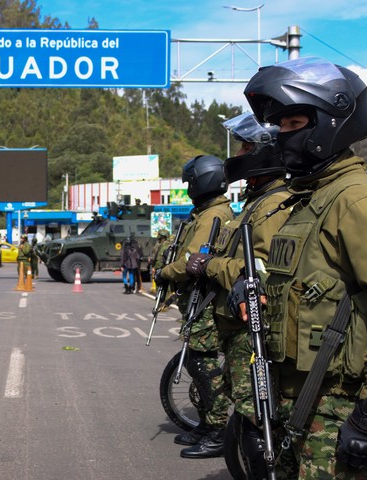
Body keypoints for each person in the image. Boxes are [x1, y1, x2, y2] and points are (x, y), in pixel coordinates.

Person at [236, 56, 367, 478]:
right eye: (279, 126)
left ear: (329, 123)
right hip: (289, 402)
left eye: (293, 124)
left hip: (340, 408)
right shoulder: (305, 202)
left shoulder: (361, 205)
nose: (281, 136)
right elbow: (301, 283)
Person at [179, 113, 291, 464]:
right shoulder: (257, 202)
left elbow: (260, 270)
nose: (239, 152)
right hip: (237, 327)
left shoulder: (272, 207)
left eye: (246, 146)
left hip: (252, 329)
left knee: (257, 420)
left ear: (265, 153)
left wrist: (208, 264)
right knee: (246, 413)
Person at [152, 155, 234, 458]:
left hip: (207, 303)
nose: (188, 188)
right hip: (198, 300)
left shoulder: (213, 215)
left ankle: (217, 430)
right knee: (196, 361)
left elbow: (191, 261)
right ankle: (205, 423)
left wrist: (164, 273)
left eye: (190, 182)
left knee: (204, 364)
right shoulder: (207, 213)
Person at [148, 229, 170, 293]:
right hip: (165, 268)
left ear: (162, 236)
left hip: (161, 269)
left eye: (159, 235)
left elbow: (160, 259)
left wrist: (155, 268)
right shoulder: (165, 244)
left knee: (161, 288)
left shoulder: (164, 245)